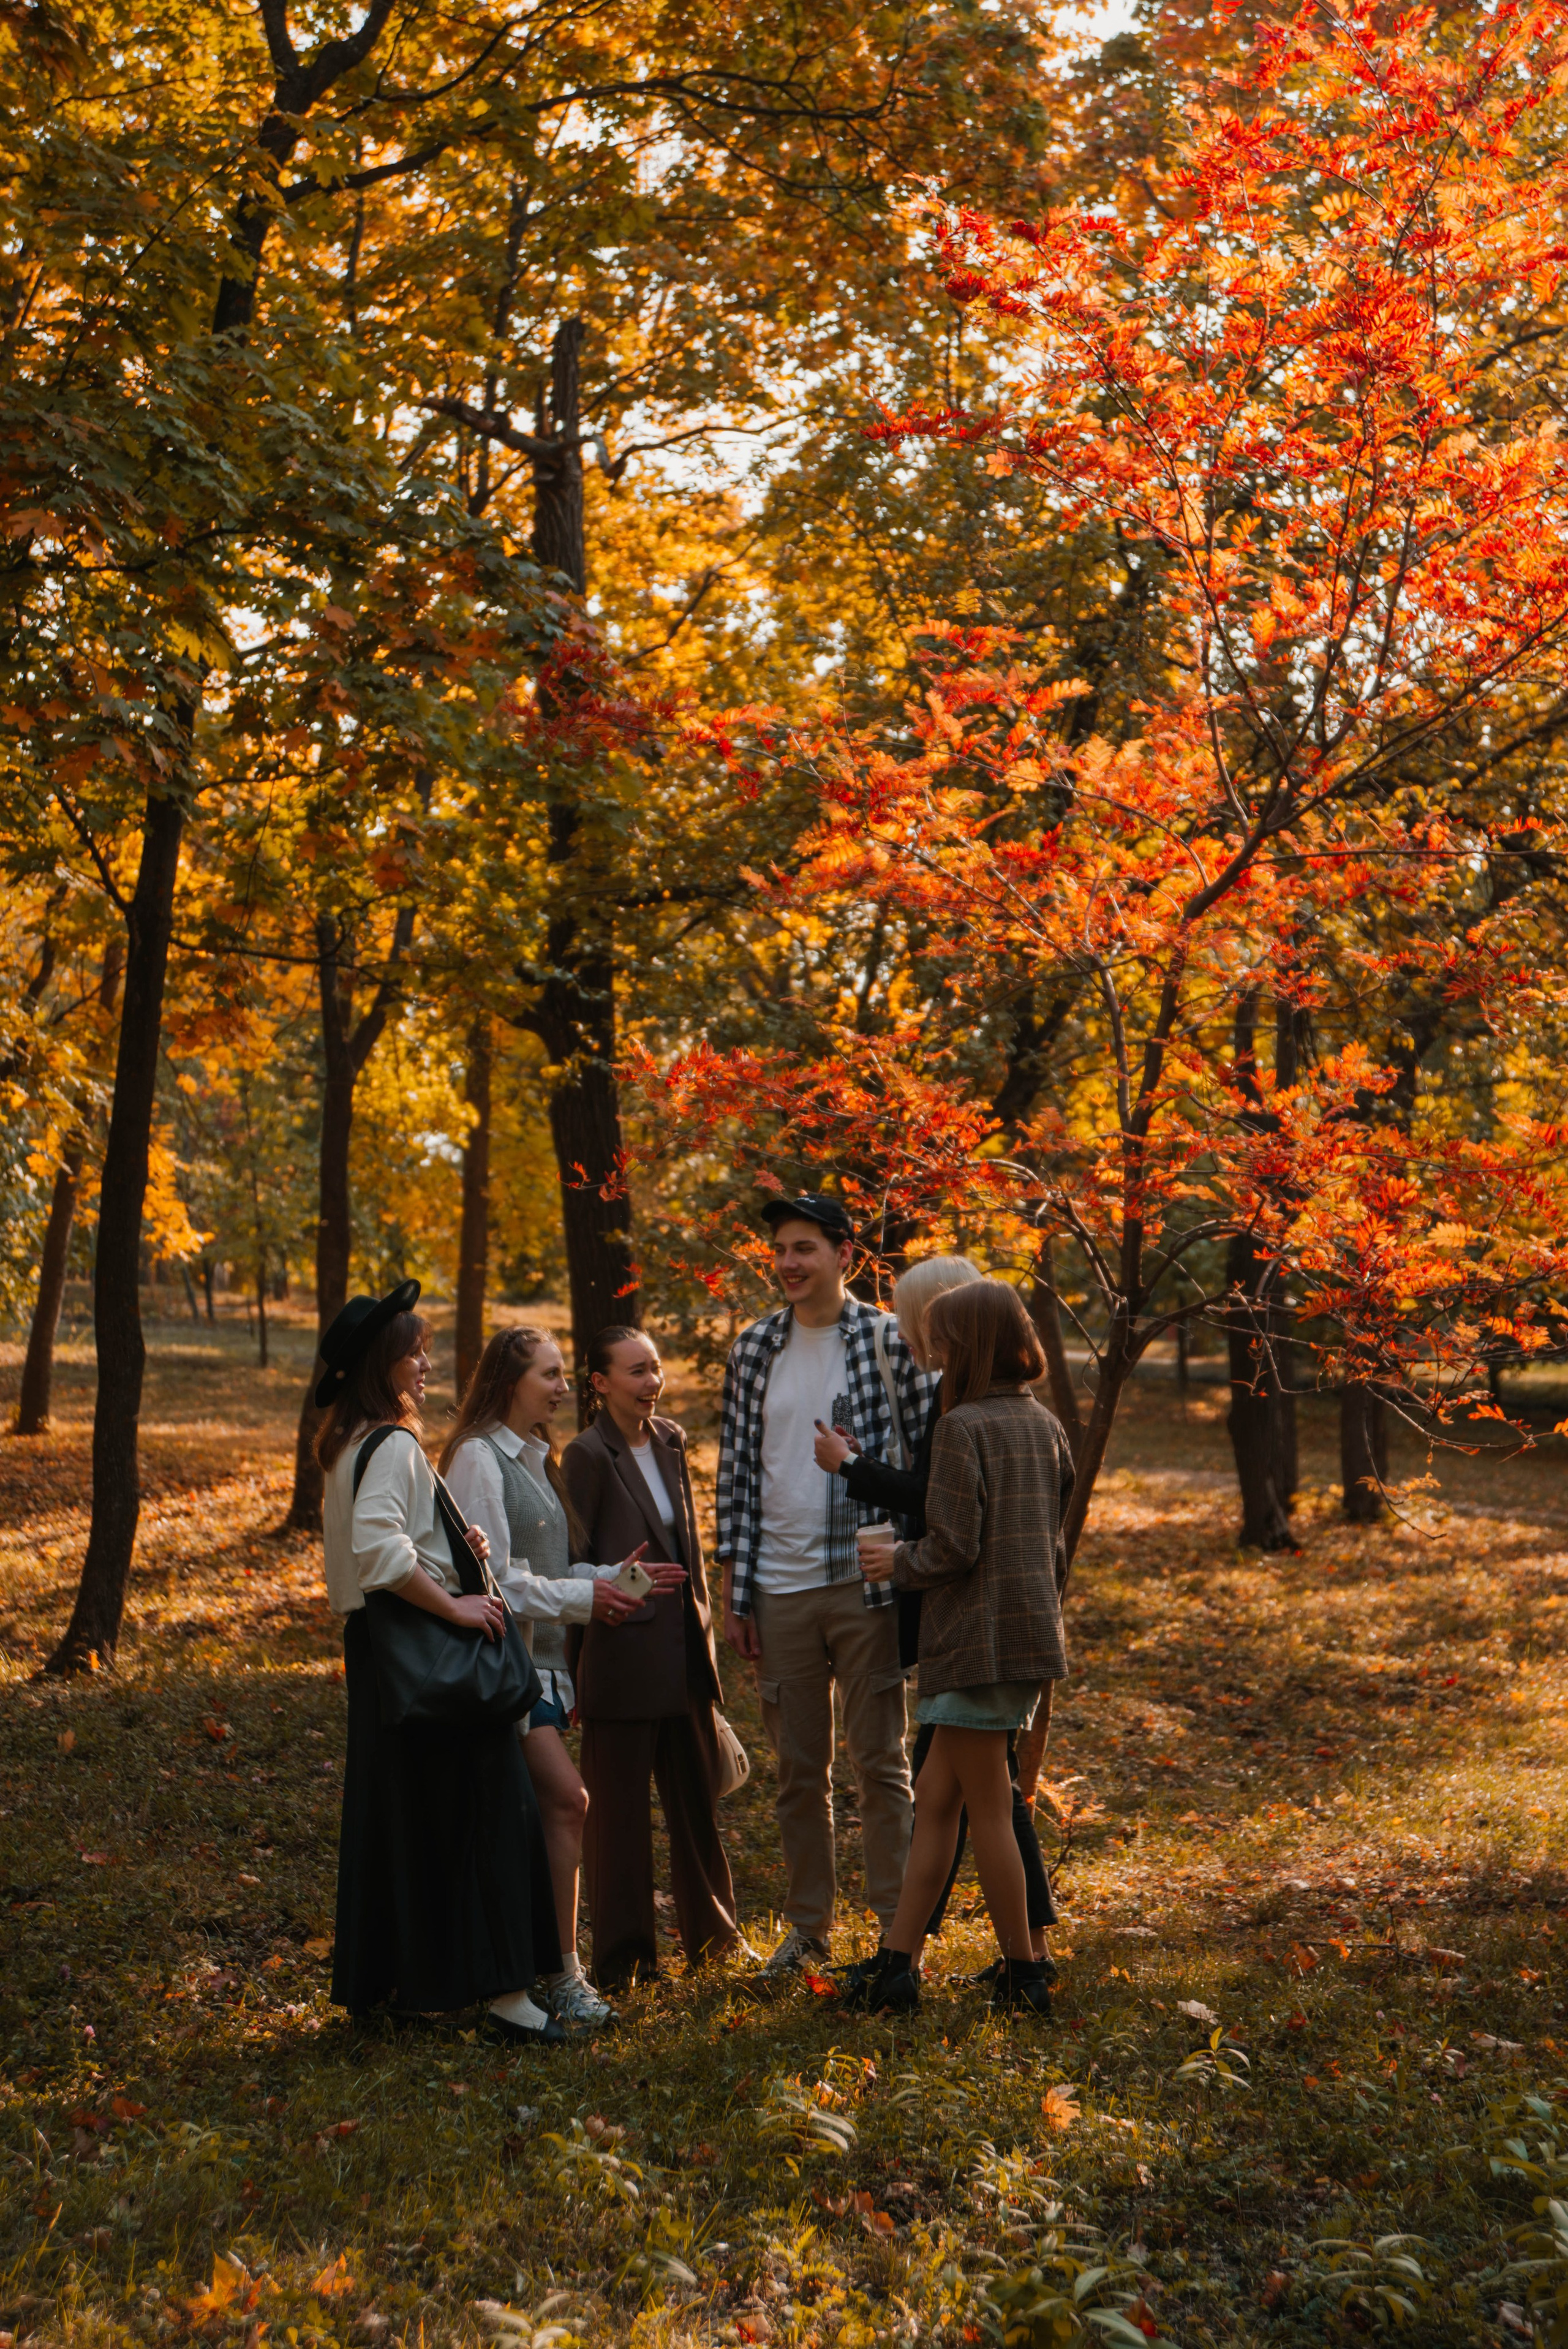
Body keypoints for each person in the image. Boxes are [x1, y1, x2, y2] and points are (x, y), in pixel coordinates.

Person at [316, 1280, 565, 2045]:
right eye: (412, 1353)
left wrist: (457, 1552)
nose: (424, 1364)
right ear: (380, 1365)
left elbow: (381, 1551)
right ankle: (508, 1998)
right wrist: (457, 1604)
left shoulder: (348, 1443)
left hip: (379, 1652)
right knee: (495, 1813)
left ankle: (392, 1982)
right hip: (426, 1648)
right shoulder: (391, 1444)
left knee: (402, 1819)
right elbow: (381, 1552)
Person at [814, 1256, 1058, 1986]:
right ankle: (896, 1965)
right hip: (1024, 1641)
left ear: (972, 1344)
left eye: (943, 1338)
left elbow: (954, 1544)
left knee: (986, 1811)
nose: (933, 1350)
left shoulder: (962, 1427)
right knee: (940, 1807)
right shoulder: (1044, 1424)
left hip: (971, 1643)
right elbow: (1049, 1536)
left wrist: (899, 1565)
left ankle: (1023, 1970)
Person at [716, 1191, 935, 1978]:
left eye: (805, 1247)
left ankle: (894, 1935)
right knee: (798, 1774)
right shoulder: (753, 1349)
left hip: (866, 1583)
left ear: (846, 1255)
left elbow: (931, 1460)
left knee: (880, 1761)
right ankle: (809, 1928)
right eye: (780, 1249)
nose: (788, 1262)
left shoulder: (888, 1341)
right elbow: (738, 1470)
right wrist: (735, 1589)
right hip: (780, 1587)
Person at [442, 1325, 644, 2033]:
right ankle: (561, 1974)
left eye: (562, 1375)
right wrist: (588, 1598)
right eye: (551, 1375)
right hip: (508, 1673)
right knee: (569, 1802)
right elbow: (496, 1586)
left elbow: (546, 1573)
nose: (564, 1387)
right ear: (509, 1380)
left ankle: (534, 1972)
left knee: (544, 1817)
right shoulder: (476, 1458)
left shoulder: (533, 1456)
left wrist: (608, 1580)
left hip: (548, 1670)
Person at [562, 1325, 743, 1986]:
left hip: (687, 1656)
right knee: (618, 1822)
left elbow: (687, 1553)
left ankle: (716, 1941)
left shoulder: (670, 1439)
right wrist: (572, 1668)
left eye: (655, 1369)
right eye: (636, 1372)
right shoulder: (584, 1455)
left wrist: (708, 1639)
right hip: (619, 1660)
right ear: (600, 1383)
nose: (651, 1383)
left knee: (698, 1807)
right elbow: (573, 1567)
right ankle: (624, 1962)